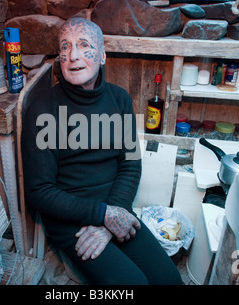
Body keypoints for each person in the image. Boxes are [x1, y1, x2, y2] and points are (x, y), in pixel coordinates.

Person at [21, 17, 182, 285]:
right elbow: (39, 192)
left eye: (84, 45)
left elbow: (131, 165)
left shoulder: (120, 99)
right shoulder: (42, 109)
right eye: (65, 46)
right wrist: (101, 215)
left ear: (103, 56)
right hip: (71, 220)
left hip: (115, 207)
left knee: (169, 281)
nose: (73, 56)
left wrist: (113, 216)